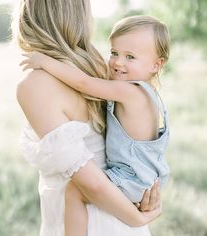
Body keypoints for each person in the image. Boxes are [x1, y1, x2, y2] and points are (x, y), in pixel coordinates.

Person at [14, 0, 161, 235]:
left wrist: (135, 218)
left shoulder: (35, 85)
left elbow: (91, 183)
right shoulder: (99, 67)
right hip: (119, 212)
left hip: (92, 220)